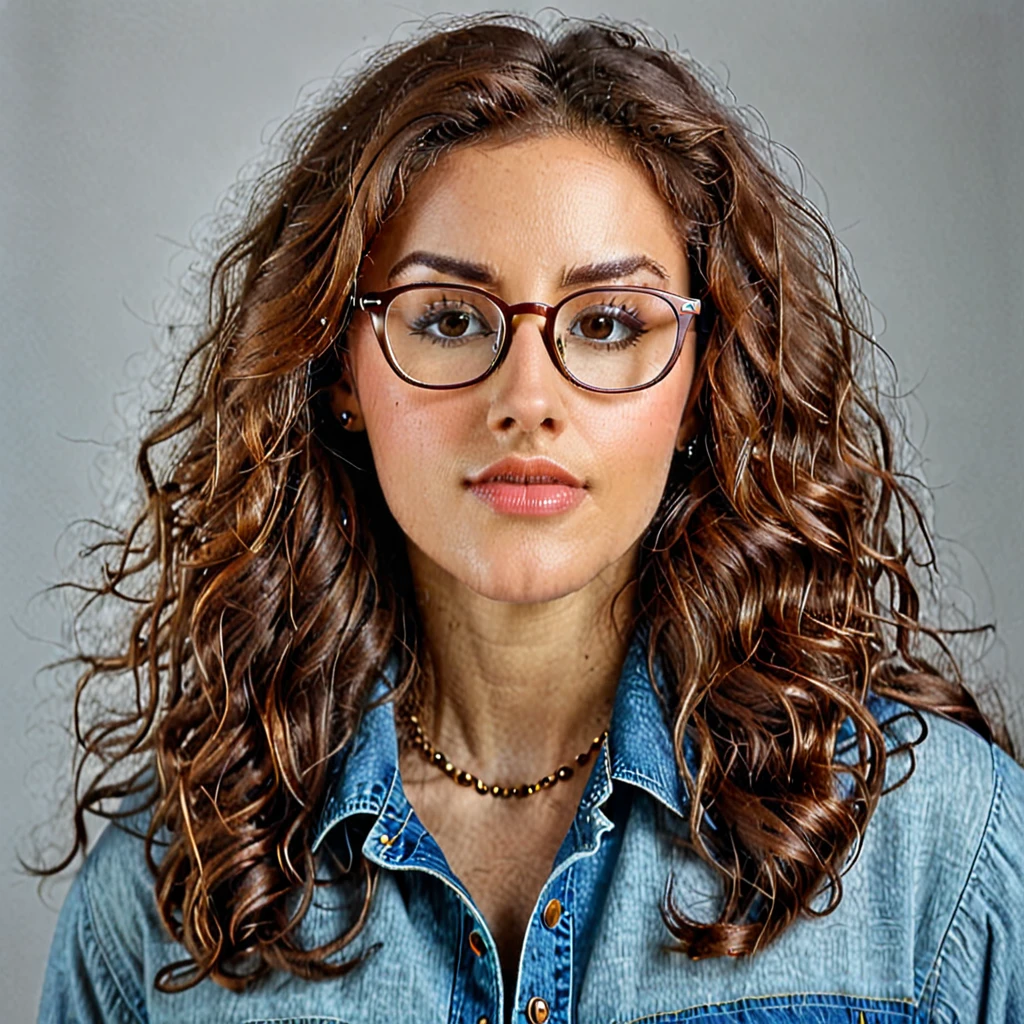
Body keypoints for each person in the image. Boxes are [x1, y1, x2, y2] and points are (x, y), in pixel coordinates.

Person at [34, 12, 1024, 1024]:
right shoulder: (174, 886)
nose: (527, 397)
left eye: (604, 325)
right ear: (339, 367)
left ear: (700, 383)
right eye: (451, 320)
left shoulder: (934, 840)